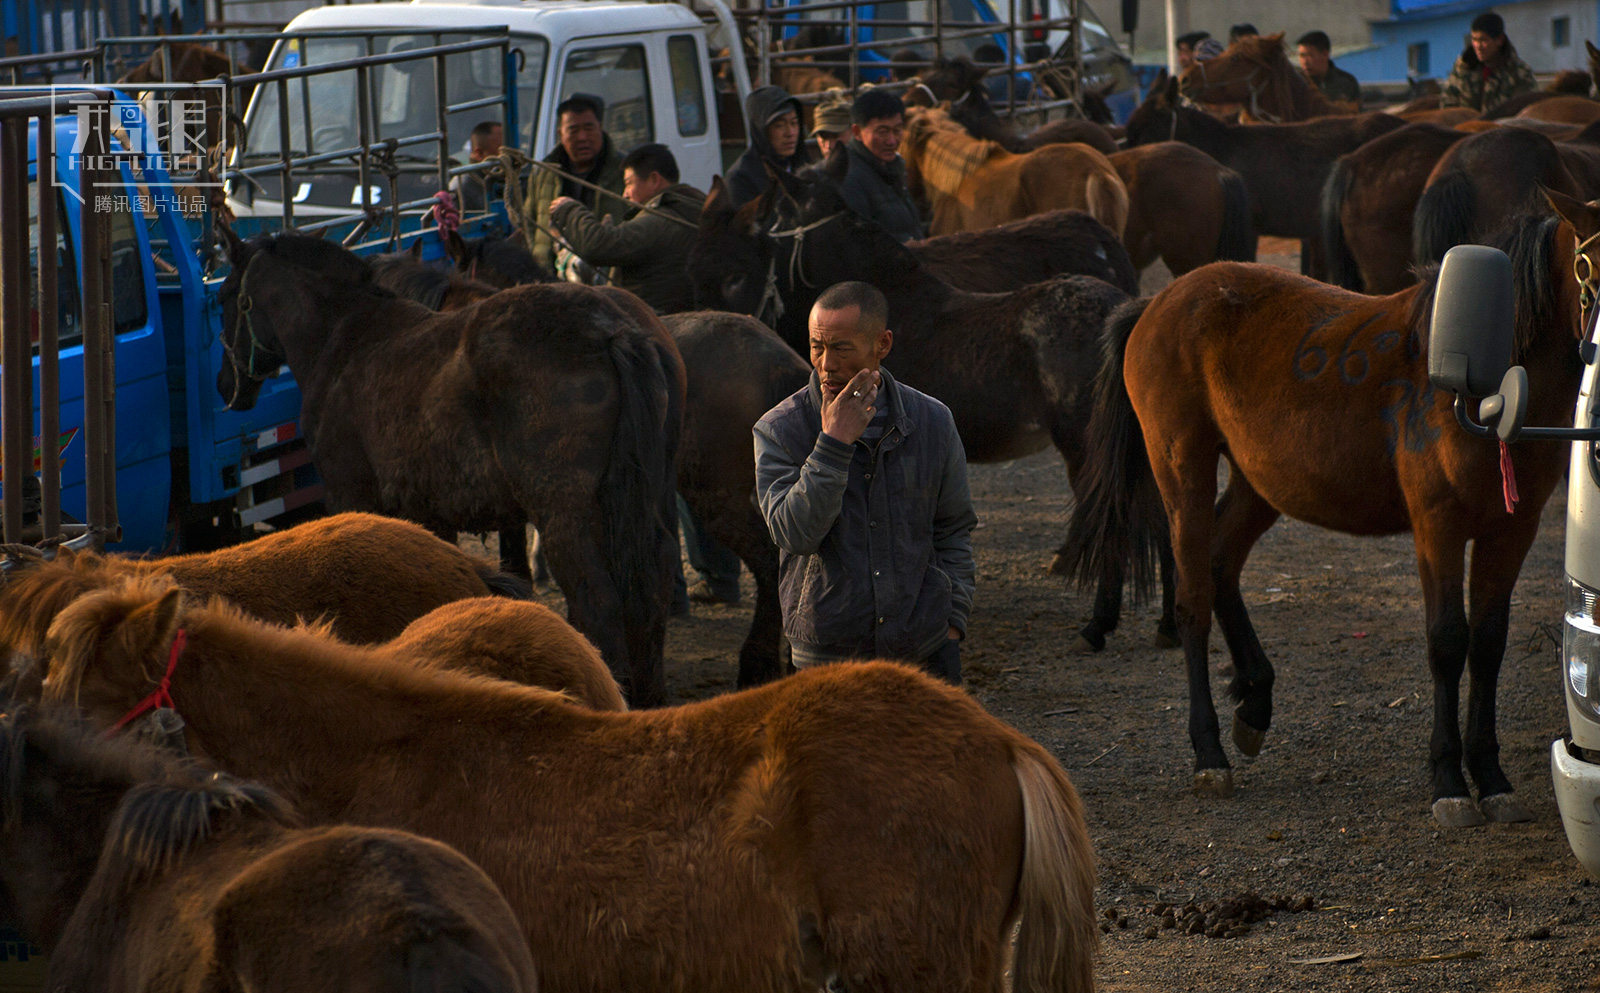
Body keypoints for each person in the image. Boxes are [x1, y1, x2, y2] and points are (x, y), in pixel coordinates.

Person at [753, 281, 975, 685]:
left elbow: (954, 527)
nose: (825, 364)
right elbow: (795, 534)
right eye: (816, 346)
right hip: (828, 658)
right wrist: (833, 445)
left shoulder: (932, 422)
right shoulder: (779, 430)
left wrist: (952, 622)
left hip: (925, 650)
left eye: (841, 348)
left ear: (882, 344)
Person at [549, 143, 704, 315]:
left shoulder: (662, 219)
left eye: (629, 183)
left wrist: (569, 209)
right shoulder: (689, 207)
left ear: (654, 179)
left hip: (658, 322)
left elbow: (599, 246)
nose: (625, 194)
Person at [529, 94, 628, 268]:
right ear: (560, 134)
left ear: (601, 128)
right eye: (573, 130)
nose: (582, 137)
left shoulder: (623, 170)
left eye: (589, 128)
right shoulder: (544, 172)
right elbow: (529, 223)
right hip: (552, 279)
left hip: (606, 277)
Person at [837, 88, 923, 243]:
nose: (892, 141)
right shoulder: (849, 180)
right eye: (882, 132)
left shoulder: (891, 168)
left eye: (897, 130)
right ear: (857, 132)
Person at [724, 85, 815, 207]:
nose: (790, 133)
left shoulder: (804, 166)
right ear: (761, 131)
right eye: (779, 125)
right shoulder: (741, 179)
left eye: (794, 123)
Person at [1441, 12, 1537, 114]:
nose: (1478, 46)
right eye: (1474, 39)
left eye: (1483, 40)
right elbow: (1447, 103)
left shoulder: (1519, 74)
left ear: (1499, 40)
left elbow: (1526, 114)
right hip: (1464, 127)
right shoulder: (1464, 66)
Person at [1296, 30, 1362, 106]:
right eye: (1302, 56)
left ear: (1325, 54)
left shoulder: (1347, 82)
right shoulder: (1297, 84)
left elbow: (1357, 114)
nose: (1305, 62)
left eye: (1310, 55)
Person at [451, 120, 503, 213]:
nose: (509, 157)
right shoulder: (462, 189)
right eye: (502, 152)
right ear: (479, 153)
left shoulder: (505, 179)